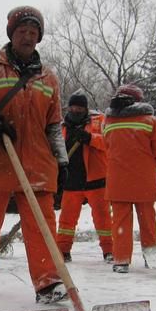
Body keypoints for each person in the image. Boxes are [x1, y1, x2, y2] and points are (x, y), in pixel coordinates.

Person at [0, 5, 69, 304]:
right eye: (22, 31)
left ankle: (47, 282)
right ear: (12, 34)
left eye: (33, 33)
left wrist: (62, 160)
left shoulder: (49, 79)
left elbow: (54, 123)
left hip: (38, 164)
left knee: (42, 225)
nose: (28, 37)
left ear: (39, 37)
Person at [103, 84, 156, 273]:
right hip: (143, 179)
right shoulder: (149, 120)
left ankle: (121, 260)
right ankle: (151, 256)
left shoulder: (109, 121)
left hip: (117, 180)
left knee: (120, 222)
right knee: (147, 220)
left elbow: (107, 147)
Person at [56, 90, 113, 263]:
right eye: (73, 107)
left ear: (86, 108)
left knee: (103, 219)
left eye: (79, 107)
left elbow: (110, 142)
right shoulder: (61, 127)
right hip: (71, 180)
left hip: (96, 178)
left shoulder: (99, 121)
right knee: (66, 220)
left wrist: (90, 138)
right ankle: (63, 250)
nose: (76, 110)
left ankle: (109, 250)